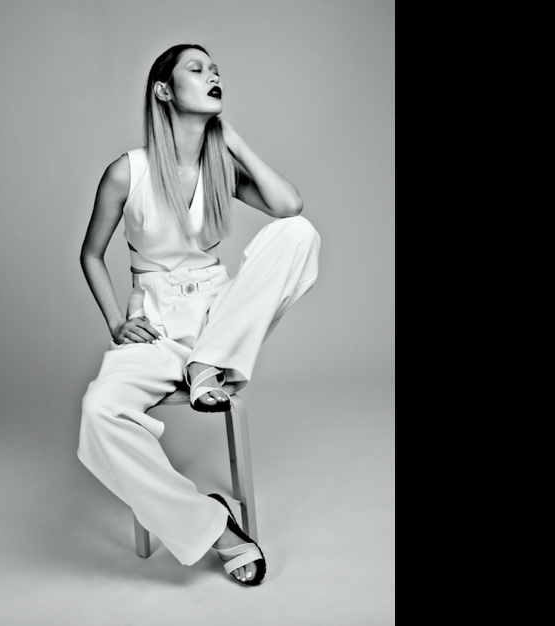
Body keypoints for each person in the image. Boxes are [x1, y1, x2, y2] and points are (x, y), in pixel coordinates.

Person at [77, 44, 320, 586]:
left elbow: (290, 208)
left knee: (299, 235)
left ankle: (208, 363)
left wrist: (232, 141)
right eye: (197, 68)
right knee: (99, 412)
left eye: (215, 70)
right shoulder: (127, 171)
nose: (213, 75)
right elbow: (91, 254)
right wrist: (117, 322)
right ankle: (213, 528)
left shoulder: (220, 169)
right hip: (156, 326)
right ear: (164, 90)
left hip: (218, 316)